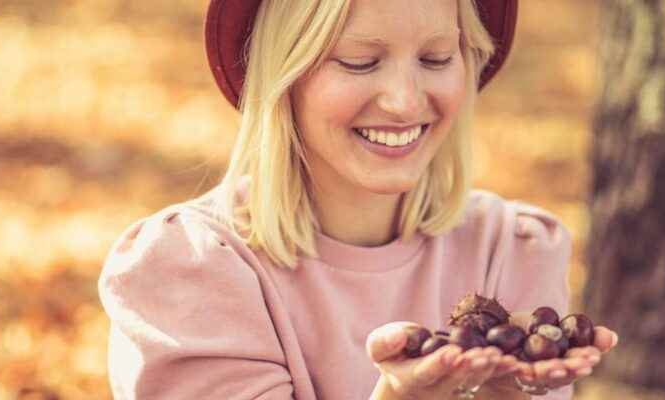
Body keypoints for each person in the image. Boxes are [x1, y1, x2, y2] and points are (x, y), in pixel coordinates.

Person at [98, 0, 619, 398]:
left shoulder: (512, 250)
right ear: (284, 73)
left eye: (436, 58)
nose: (404, 101)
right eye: (360, 62)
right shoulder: (189, 273)